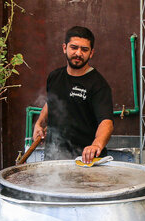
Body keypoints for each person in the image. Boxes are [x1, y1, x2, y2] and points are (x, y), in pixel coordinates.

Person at [33, 26, 114, 162]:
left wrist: (96, 145)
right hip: (54, 158)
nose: (78, 53)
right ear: (65, 48)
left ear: (91, 53)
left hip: (85, 161)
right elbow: (51, 102)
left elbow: (106, 122)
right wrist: (39, 123)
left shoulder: (98, 84)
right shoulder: (54, 77)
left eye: (84, 49)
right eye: (74, 47)